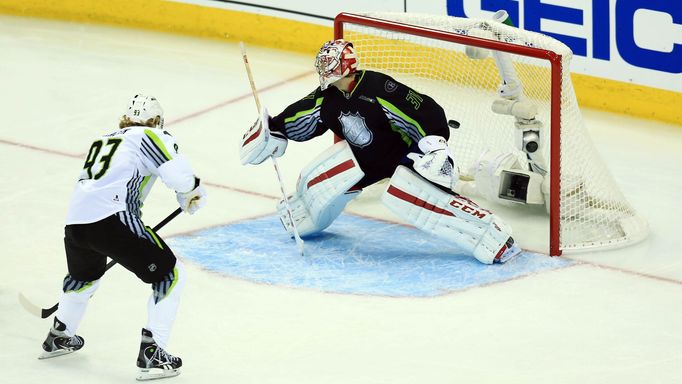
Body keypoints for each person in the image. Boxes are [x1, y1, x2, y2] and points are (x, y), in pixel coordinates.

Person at [240, 39, 520, 265]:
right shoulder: (327, 98)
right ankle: (300, 215)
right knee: (316, 182)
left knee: (407, 195)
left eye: (329, 65)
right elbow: (302, 115)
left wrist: (434, 143)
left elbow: (425, 109)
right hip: (367, 160)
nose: (324, 70)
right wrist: (274, 129)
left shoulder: (378, 87)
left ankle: (493, 236)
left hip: (403, 156)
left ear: (345, 66)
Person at [40, 94, 207, 381]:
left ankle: (60, 335)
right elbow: (179, 177)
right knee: (169, 276)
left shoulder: (105, 139)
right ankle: (153, 352)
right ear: (155, 121)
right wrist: (191, 190)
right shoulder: (150, 135)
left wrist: (186, 193)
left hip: (76, 223)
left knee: (84, 277)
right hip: (113, 218)